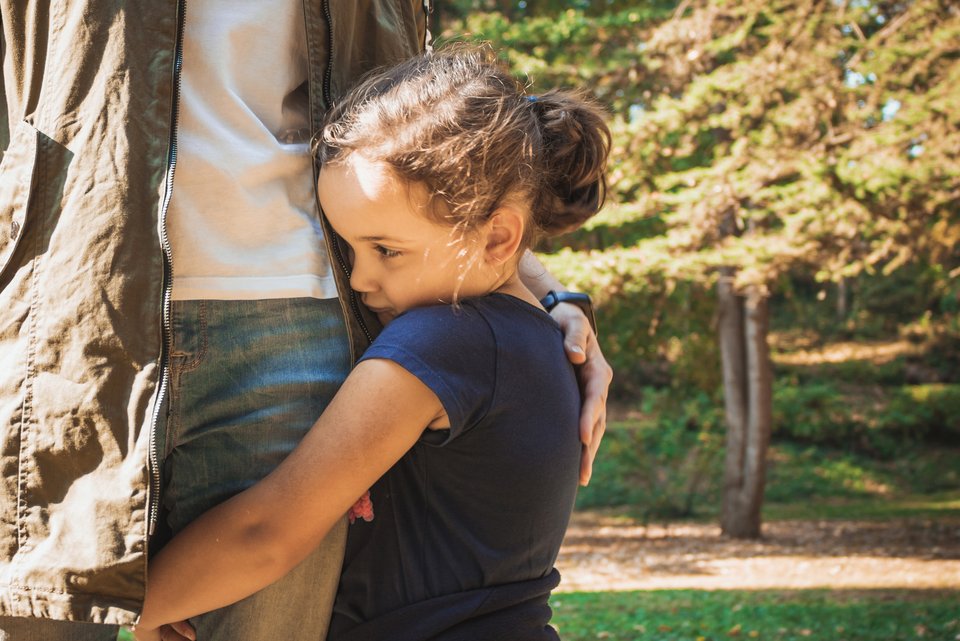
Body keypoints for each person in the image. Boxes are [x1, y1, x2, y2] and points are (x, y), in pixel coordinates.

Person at [0, 3, 610, 641]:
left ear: (498, 236)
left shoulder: (437, 341)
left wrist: (137, 606)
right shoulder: (501, 336)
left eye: (384, 252)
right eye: (352, 249)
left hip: (289, 323)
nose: (359, 279)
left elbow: (268, 533)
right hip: (75, 309)